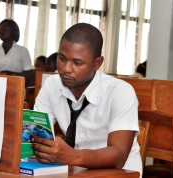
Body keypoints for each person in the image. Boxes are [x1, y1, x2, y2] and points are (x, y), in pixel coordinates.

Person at [32, 23, 142, 176]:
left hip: (119, 173)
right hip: (75, 170)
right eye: (62, 58)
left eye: (77, 63)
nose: (66, 69)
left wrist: (72, 156)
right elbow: (36, 131)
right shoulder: (52, 85)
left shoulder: (120, 92)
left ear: (97, 63)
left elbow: (119, 155)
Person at [0, 19, 33, 86]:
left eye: (5, 28)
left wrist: (10, 74)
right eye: (0, 29)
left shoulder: (23, 51)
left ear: (13, 31)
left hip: (16, 88)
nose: (1, 31)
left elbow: (29, 75)